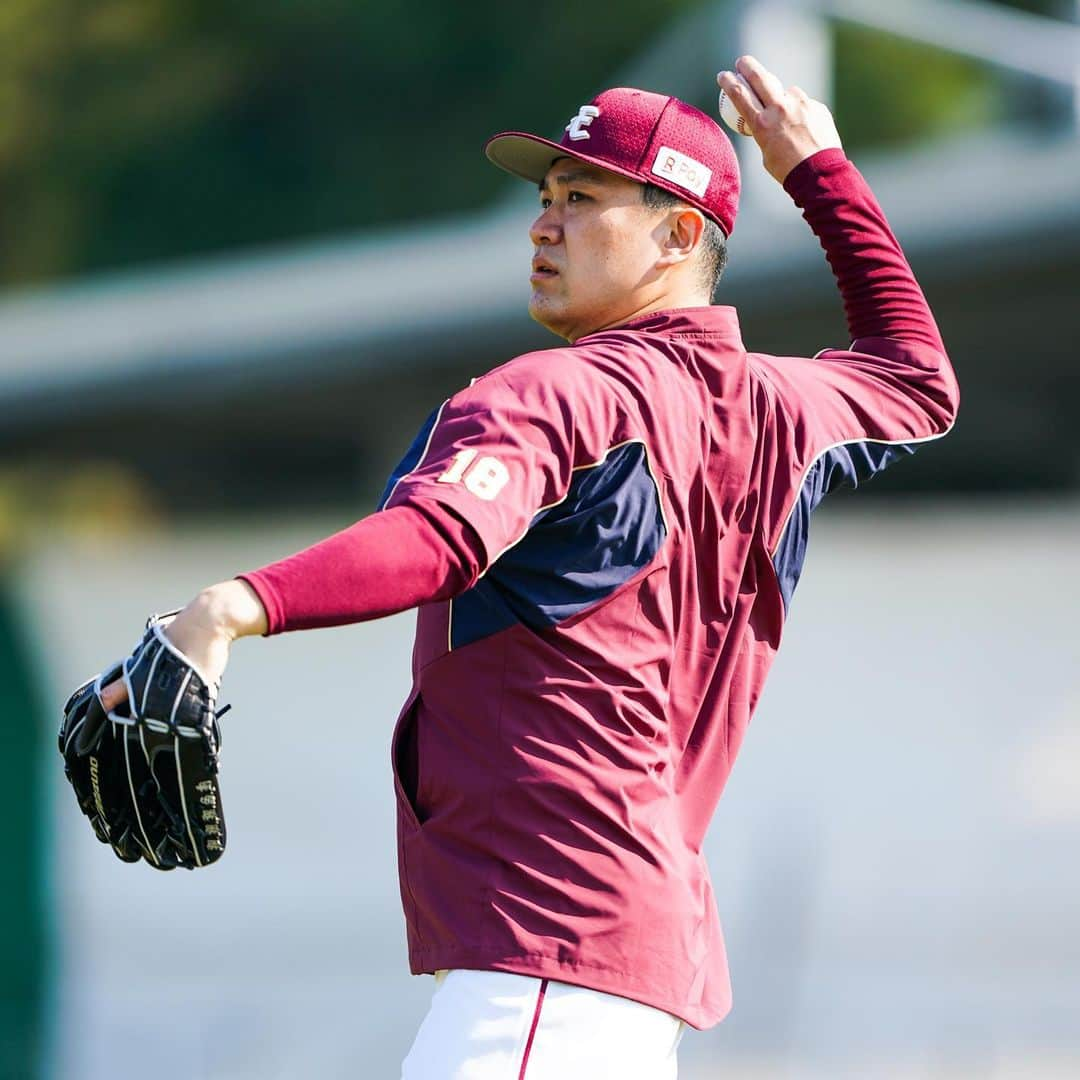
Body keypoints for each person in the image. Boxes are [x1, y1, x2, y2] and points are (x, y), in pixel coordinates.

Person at [99, 56, 958, 1078]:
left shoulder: (558, 393)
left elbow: (436, 539)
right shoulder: (782, 409)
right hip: (616, 965)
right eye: (547, 198)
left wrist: (230, 607)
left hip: (549, 961)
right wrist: (819, 171)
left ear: (683, 234)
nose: (544, 224)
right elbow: (916, 377)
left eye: (584, 198)